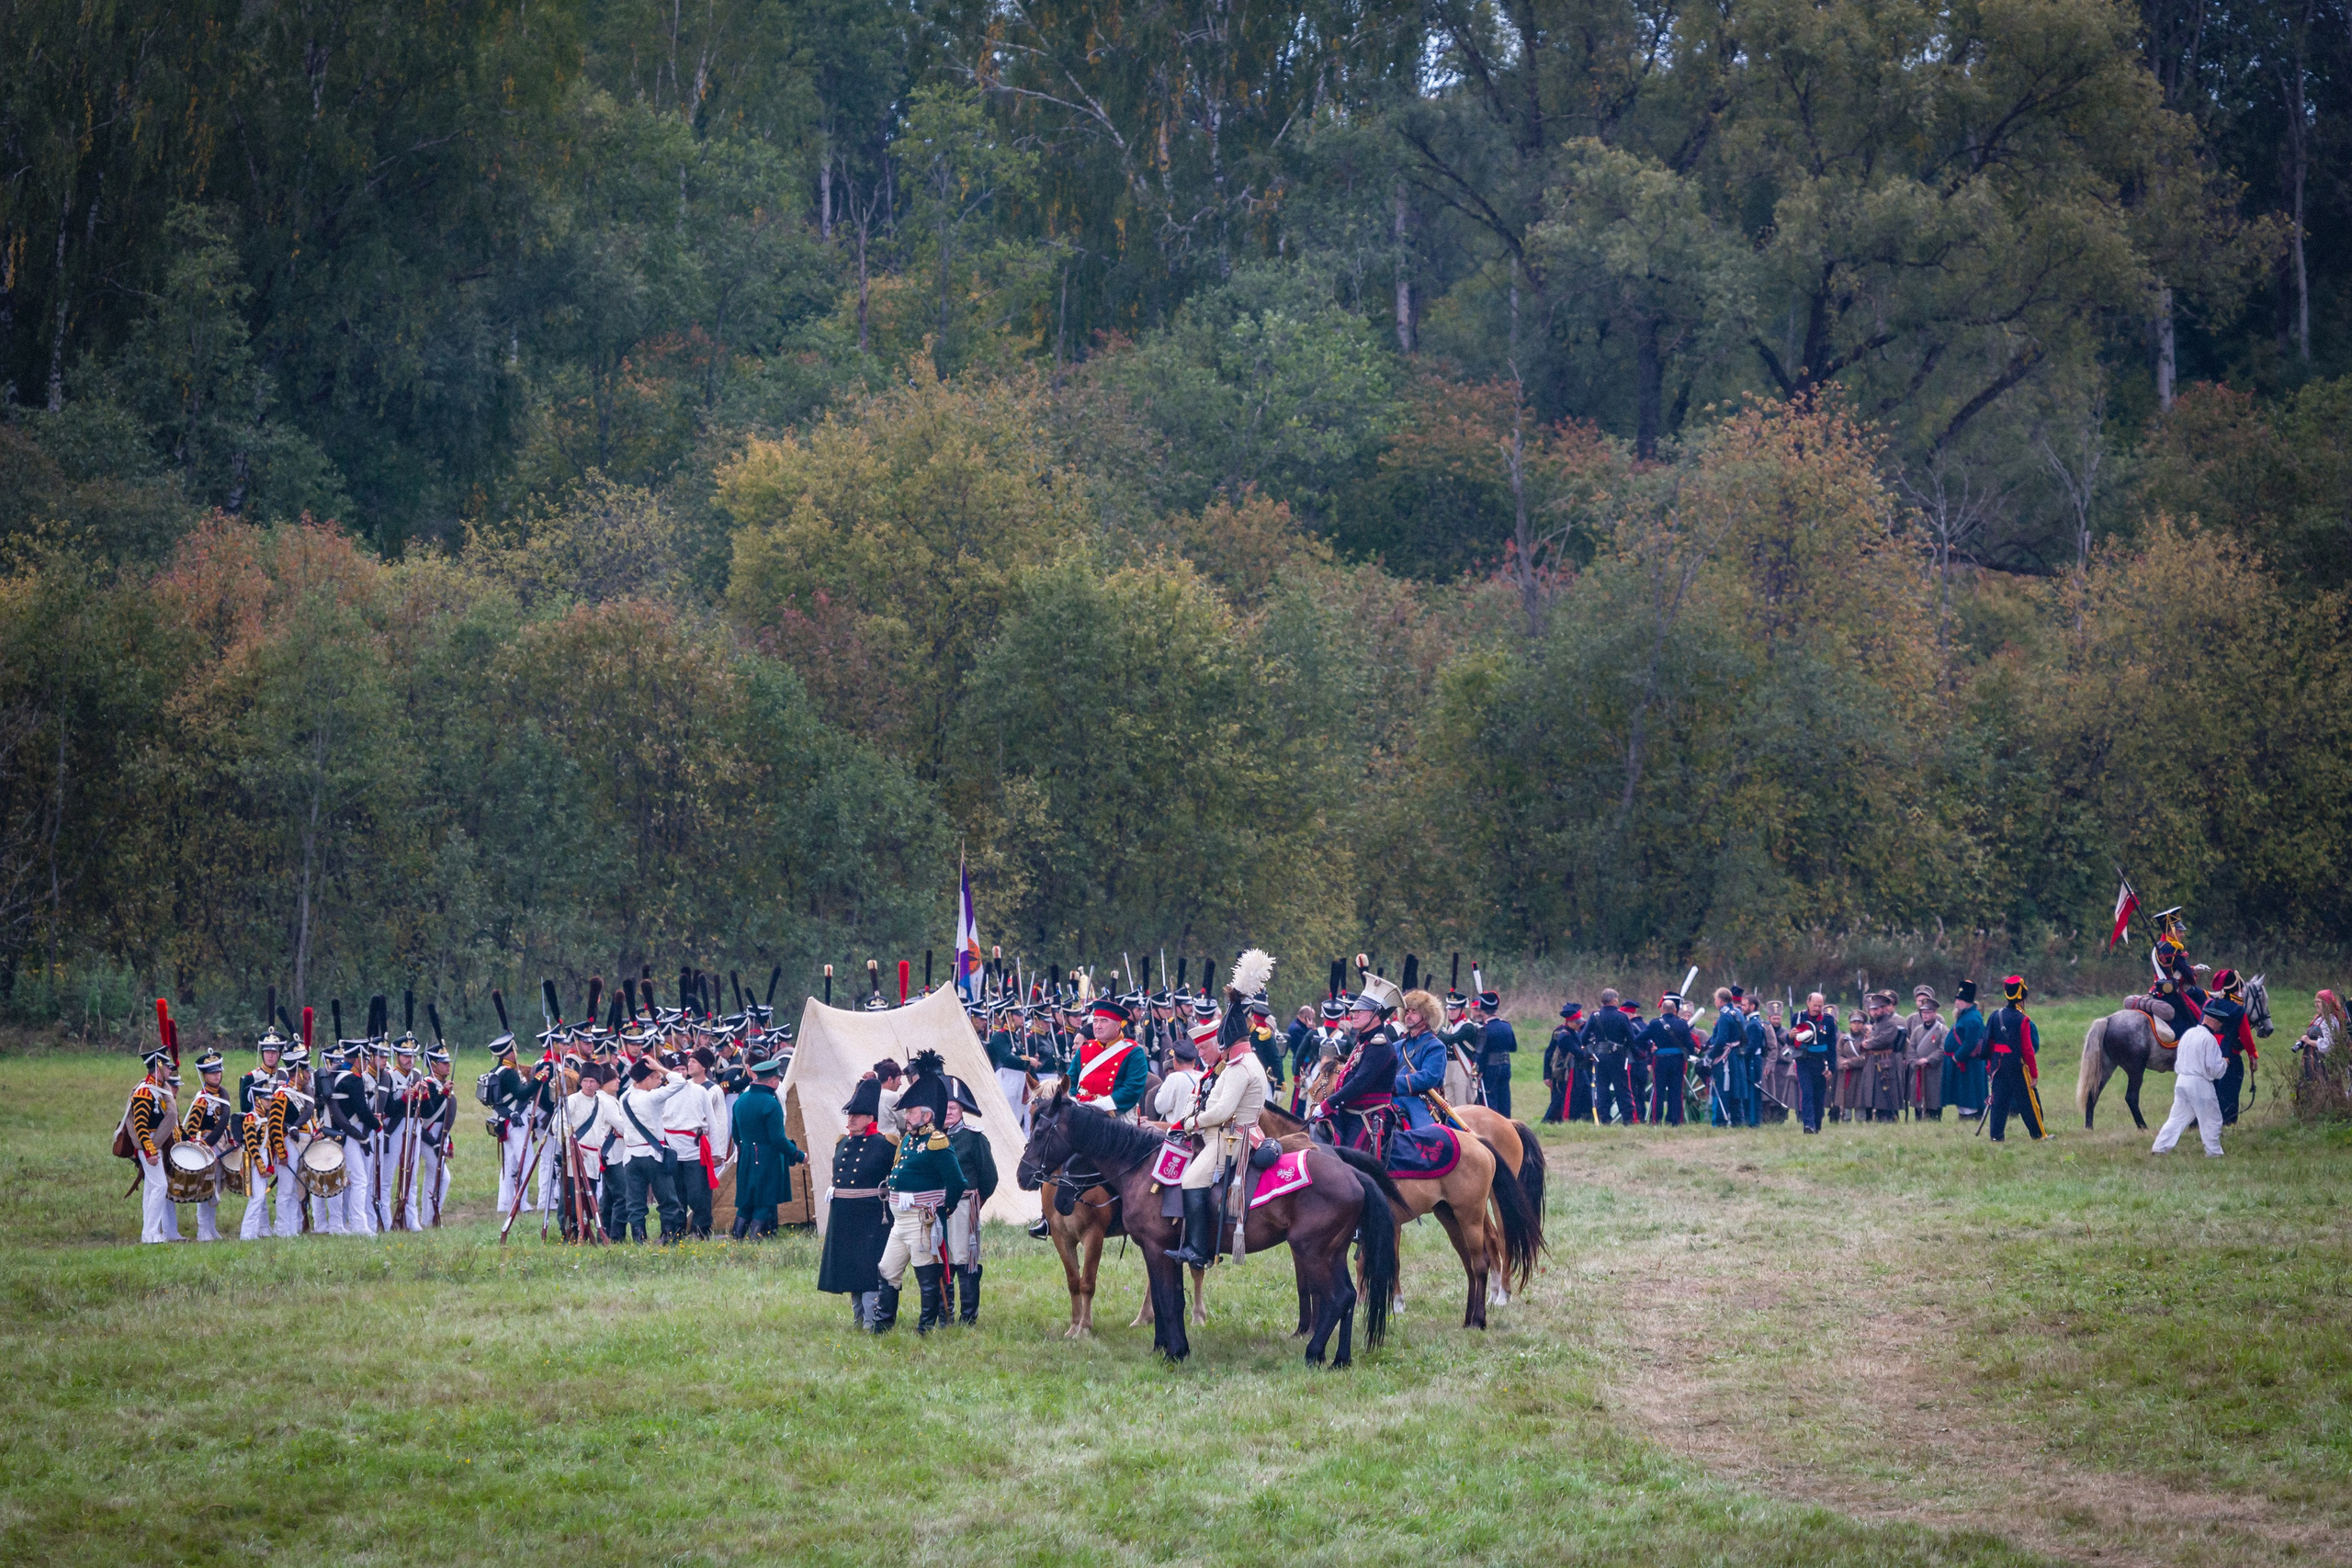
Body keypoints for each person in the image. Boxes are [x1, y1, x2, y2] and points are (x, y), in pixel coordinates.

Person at [875, 1053, 967, 1335]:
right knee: (887, 1270)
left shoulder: (937, 1142)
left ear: (926, 1115)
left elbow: (957, 1182)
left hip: (921, 1219)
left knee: (926, 1276)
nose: (907, 1116)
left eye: (912, 1112)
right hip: (899, 1221)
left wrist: (941, 1209)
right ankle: (883, 1325)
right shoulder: (908, 1140)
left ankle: (925, 1328)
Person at [1169, 1011, 1270, 1267]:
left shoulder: (1239, 1067)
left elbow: (1222, 1111)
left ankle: (1197, 1249)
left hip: (1231, 1138)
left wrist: (1193, 1123)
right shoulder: (1244, 1061)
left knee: (1191, 1180)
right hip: (1229, 1133)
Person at [818, 1077, 896, 1326]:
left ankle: (871, 1320)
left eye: (856, 1116)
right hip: (844, 1214)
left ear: (870, 1118)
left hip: (871, 1215)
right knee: (850, 1267)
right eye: (849, 1116)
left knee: (870, 1269)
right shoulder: (842, 1142)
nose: (850, 1120)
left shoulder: (885, 1145)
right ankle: (858, 1317)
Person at [1317, 972, 1403, 1156]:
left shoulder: (1379, 1046)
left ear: (1377, 1015)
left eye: (1360, 1011)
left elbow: (1360, 1082)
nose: (1353, 1014)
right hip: (1350, 1111)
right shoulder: (1364, 1041)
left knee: (1349, 1161)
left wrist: (1327, 1104)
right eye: (1354, 1010)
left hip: (1369, 1117)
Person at [614, 1057, 697, 1242]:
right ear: (648, 1078)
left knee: (635, 1203)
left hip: (631, 1156)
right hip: (653, 1156)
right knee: (668, 1200)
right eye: (657, 1077)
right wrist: (659, 1066)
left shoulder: (624, 1096)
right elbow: (680, 1082)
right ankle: (670, 1237)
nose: (661, 1082)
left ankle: (639, 1239)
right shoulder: (652, 1098)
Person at [938, 1077, 999, 1323]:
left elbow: (990, 1178)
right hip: (935, 1207)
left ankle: (968, 1318)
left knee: (964, 1261)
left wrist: (973, 1203)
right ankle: (944, 1316)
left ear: (961, 1110)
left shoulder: (974, 1138)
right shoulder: (931, 1139)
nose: (948, 1113)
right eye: (944, 1108)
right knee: (940, 1261)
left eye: (952, 1108)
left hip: (963, 1206)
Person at [730, 1048, 804, 1239]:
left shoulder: (741, 1099)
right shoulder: (771, 1103)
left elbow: (735, 1134)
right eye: (777, 1079)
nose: (778, 1082)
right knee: (765, 1199)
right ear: (772, 1080)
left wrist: (745, 1149)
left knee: (747, 1201)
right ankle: (755, 1237)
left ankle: (737, 1235)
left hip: (746, 1154)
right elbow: (778, 1139)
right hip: (767, 1156)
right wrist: (798, 1155)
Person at [178, 1051, 236, 1242]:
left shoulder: (221, 1096)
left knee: (216, 1187)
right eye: (212, 1073)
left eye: (218, 1071)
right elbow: (192, 1128)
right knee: (206, 1187)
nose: (216, 1075)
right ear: (204, 1075)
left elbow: (223, 1122)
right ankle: (203, 1229)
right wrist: (204, 1144)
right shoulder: (202, 1099)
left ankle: (211, 1228)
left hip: (221, 1147)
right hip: (208, 1149)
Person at [1982, 975, 2047, 1142]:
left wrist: (1990, 1066)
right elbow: (2027, 1049)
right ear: (2022, 997)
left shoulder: (1995, 1015)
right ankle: (2038, 1134)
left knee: (1999, 1103)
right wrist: (2034, 1073)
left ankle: (1996, 1137)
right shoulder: (2023, 1019)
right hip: (2016, 1065)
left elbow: (1988, 1043)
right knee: (2027, 1101)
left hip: (1998, 1065)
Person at [123, 1046, 176, 1245]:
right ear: (159, 1066)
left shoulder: (155, 1089)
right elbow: (140, 1125)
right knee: (161, 1185)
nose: (170, 1071)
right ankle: (150, 1233)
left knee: (151, 1188)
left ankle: (149, 1232)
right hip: (149, 1145)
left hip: (153, 1144)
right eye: (167, 1067)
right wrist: (150, 1150)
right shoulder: (145, 1091)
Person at [2151, 1016, 2226, 1156]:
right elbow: (2214, 1068)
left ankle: (2160, 1147)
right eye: (2219, 1024)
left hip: (2182, 1080)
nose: (2219, 1027)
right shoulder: (2209, 1039)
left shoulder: (2188, 1033)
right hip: (2199, 1083)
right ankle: (2214, 1153)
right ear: (2215, 1022)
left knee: (2177, 1118)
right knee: (2211, 1119)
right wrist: (2224, 1063)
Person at [2200, 969, 2259, 1124]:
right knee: (2229, 1093)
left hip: (2206, 1056)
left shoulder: (2208, 1003)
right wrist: (2253, 1055)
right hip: (2229, 1058)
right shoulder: (2239, 1010)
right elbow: (2246, 1037)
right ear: (2237, 989)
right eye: (2241, 989)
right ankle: (2227, 1123)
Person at [1393, 988, 1452, 1131]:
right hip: (1391, 1097)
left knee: (1423, 1136)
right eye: (1407, 1012)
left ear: (1426, 1016)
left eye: (1414, 1012)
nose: (1409, 1015)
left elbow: (1428, 1078)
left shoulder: (1435, 1047)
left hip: (1419, 1101)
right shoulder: (1397, 1046)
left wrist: (1394, 1083)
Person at [1587, 988, 1640, 1125]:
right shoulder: (1621, 1017)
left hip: (1600, 1057)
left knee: (1602, 1088)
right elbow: (1631, 1038)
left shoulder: (1595, 1016)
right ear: (1614, 1000)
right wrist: (1637, 1053)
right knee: (1622, 1088)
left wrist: (1593, 1049)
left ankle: (1604, 1118)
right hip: (1618, 1057)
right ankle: (1628, 1119)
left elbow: (1583, 1038)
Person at [1639, 994, 1694, 1126]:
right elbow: (1690, 1046)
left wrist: (1649, 1047)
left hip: (1660, 1060)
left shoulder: (1655, 1023)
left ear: (1662, 1010)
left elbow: (1639, 1039)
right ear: (1675, 1011)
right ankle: (1675, 1121)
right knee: (1676, 1091)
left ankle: (1656, 1120)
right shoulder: (1682, 1024)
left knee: (1659, 1091)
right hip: (1677, 1061)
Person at [1793, 994, 1837, 1134]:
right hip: (1804, 1061)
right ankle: (1808, 1125)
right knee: (1807, 1093)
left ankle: (1817, 1124)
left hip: (1821, 1062)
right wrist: (1790, 1036)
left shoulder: (1828, 1021)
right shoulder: (1798, 1017)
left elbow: (1832, 1045)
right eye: (1815, 1005)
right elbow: (1791, 1042)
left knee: (1819, 1095)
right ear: (1808, 1003)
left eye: (1820, 1006)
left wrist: (1831, 1067)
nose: (1817, 1009)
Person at [1944, 980, 1988, 1118]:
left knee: (1969, 1094)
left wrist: (1957, 1057)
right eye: (1957, 999)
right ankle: (1965, 1116)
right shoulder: (1965, 1015)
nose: (1957, 1002)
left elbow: (1971, 1043)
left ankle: (1971, 1117)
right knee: (1962, 1094)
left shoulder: (1973, 1018)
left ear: (1968, 1001)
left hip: (1968, 1063)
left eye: (1960, 999)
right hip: (1962, 1062)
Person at [1903, 987, 1948, 1121]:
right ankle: (1919, 1118)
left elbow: (1943, 1048)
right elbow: (1911, 1048)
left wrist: (1928, 1060)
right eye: (1923, 1012)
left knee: (1934, 1095)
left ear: (1934, 1013)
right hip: (1918, 1069)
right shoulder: (1917, 1030)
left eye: (1928, 1012)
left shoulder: (1942, 1030)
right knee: (1918, 1095)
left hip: (1934, 1069)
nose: (1925, 1015)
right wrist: (1914, 1061)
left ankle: (1934, 1118)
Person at [1703, 988, 1744, 1127]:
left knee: (1722, 1089)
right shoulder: (1738, 1012)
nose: (1715, 1002)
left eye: (1715, 999)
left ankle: (1720, 1121)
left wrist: (1709, 1057)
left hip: (1725, 1058)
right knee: (1735, 1090)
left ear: (1720, 1000)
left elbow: (1721, 1041)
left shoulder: (1725, 1016)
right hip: (1737, 1056)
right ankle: (1738, 1120)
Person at [1476, 990, 1517, 1115]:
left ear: (1482, 1011)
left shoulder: (1485, 1029)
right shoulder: (1506, 1026)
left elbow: (1481, 1054)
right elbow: (1513, 1047)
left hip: (1490, 1069)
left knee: (1490, 1100)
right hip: (1506, 1067)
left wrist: (1478, 1071)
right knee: (1504, 1099)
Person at [1544, 1003, 1583, 1123]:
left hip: (1575, 1069)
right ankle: (1554, 1120)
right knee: (1559, 1098)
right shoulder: (1562, 1033)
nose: (1580, 1024)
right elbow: (1549, 1054)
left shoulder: (1575, 1032)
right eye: (1577, 1022)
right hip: (1563, 1071)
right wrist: (1547, 1075)